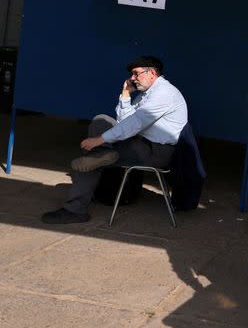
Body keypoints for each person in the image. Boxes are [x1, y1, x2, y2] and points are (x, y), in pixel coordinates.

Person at [41, 55, 188, 224]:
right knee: (100, 120)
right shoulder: (146, 93)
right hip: (141, 143)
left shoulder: (164, 93)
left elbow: (135, 123)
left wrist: (101, 139)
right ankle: (103, 154)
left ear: (152, 72)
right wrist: (125, 94)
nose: (132, 78)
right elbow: (124, 122)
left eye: (136, 73)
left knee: (94, 152)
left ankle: (75, 209)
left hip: (155, 152)